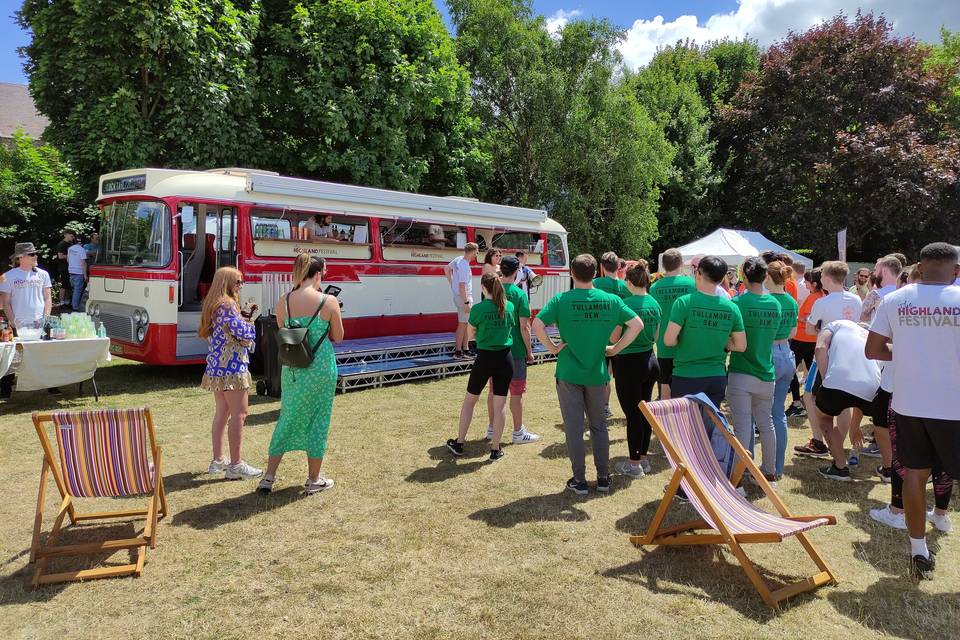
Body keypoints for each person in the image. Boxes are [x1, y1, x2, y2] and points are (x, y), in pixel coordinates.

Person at [865, 242, 960, 580]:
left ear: (918, 268)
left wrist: (907, 353)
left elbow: (873, 349)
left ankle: (918, 547)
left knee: (915, 475)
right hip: (953, 406)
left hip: (909, 404)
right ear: (956, 271)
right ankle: (935, 524)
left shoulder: (894, 300)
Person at [533, 254, 642, 495]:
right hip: (597, 373)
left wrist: (552, 348)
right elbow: (637, 324)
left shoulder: (562, 299)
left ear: (572, 273)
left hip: (569, 372)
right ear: (596, 273)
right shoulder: (611, 300)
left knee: (574, 428)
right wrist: (615, 349)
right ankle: (603, 478)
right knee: (599, 427)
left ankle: (580, 480)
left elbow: (537, 325)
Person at [257, 255, 344, 495]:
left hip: (293, 368)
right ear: (318, 274)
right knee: (319, 420)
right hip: (320, 368)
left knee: (287, 416)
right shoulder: (329, 301)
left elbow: (286, 332)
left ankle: (269, 476)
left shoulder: (282, 301)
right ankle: (313, 479)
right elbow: (338, 336)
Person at [199, 267, 262, 480]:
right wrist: (250, 321)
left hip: (217, 366)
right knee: (239, 414)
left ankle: (218, 460)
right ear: (226, 282)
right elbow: (243, 332)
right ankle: (236, 465)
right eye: (238, 282)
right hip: (233, 366)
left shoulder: (214, 304)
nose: (241, 285)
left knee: (222, 413)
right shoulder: (228, 304)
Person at [446, 273, 515, 462]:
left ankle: (459, 443)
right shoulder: (509, 306)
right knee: (500, 405)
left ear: (483, 288)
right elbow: (510, 329)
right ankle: (495, 449)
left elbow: (471, 334)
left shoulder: (478, 309)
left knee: (470, 401)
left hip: (485, 358)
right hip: (505, 358)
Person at [662, 255, 746, 408]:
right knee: (709, 428)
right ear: (722, 279)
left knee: (687, 429)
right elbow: (741, 345)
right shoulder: (731, 307)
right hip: (716, 376)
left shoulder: (684, 302)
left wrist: (682, 338)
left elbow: (668, 340)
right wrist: (723, 341)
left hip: (686, 375)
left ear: (698, 274)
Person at [726, 257, 782, 480]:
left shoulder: (738, 303)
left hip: (742, 372)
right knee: (766, 423)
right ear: (765, 276)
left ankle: (738, 475)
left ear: (744, 276)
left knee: (742, 426)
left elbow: (731, 337)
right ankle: (769, 471)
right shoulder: (775, 304)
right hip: (766, 372)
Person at [610, 261, 662, 478]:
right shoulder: (654, 302)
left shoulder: (624, 304)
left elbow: (614, 338)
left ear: (629, 282)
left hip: (630, 363)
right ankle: (643, 459)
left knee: (632, 414)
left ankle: (634, 465)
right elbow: (657, 336)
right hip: (650, 359)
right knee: (644, 411)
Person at [812, 320, 880, 482]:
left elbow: (820, 348)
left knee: (824, 417)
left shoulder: (836, 324)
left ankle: (840, 466)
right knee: (882, 424)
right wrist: (854, 427)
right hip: (871, 386)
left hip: (837, 380)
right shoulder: (870, 336)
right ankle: (889, 469)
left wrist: (825, 378)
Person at [484, 256, 539, 444]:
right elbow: (525, 327)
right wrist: (529, 351)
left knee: (494, 391)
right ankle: (518, 432)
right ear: (516, 272)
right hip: (515, 351)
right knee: (516, 392)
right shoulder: (519, 294)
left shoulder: (492, 290)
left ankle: (492, 428)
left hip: (495, 350)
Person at [0, 243, 54, 398]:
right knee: (12, 356)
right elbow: (6, 302)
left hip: (39, 322)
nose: (36, 257)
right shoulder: (8, 276)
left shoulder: (43, 274)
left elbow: (48, 297)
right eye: (32, 254)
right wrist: (13, 321)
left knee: (44, 353)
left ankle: (51, 385)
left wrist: (46, 317)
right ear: (20, 258)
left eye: (36, 254)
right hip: (18, 323)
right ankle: (5, 388)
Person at [766, 260, 799, 480]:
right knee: (778, 413)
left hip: (769, 354)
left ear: (767, 278)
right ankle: (777, 468)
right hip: (787, 354)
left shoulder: (767, 301)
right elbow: (794, 331)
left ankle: (765, 468)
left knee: (763, 415)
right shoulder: (791, 300)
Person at [649, 248, 696, 400]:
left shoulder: (654, 288)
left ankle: (664, 423)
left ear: (663, 266)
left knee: (665, 390)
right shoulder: (691, 284)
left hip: (664, 346)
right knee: (687, 391)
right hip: (686, 345)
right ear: (681, 264)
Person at [787, 269, 823, 421]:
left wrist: (797, 317)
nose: (805, 284)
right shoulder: (821, 296)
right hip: (811, 340)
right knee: (814, 372)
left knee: (790, 369)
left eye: (807, 282)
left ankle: (796, 403)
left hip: (802, 339)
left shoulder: (814, 297)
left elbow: (808, 318)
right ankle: (812, 400)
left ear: (814, 283)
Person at [444, 242, 478, 358]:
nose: (476, 255)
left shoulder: (458, 259)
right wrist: (467, 302)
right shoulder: (464, 266)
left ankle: (465, 349)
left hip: (459, 296)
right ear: (473, 251)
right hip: (464, 297)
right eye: (476, 252)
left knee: (465, 324)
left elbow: (446, 269)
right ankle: (459, 351)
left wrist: (452, 284)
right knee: (463, 325)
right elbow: (462, 286)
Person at [55, 229, 76, 308]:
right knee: (64, 284)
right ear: (66, 235)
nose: (73, 238)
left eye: (73, 236)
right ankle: (61, 302)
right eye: (71, 236)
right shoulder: (61, 244)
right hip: (63, 267)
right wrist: (72, 256)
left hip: (71, 267)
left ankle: (67, 302)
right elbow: (60, 256)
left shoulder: (71, 244)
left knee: (69, 285)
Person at [66, 239, 87, 311]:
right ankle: (75, 307)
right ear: (81, 243)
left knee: (74, 289)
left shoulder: (70, 249)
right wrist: (85, 275)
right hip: (79, 271)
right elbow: (83, 263)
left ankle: (73, 304)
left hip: (71, 270)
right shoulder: (81, 249)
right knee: (77, 290)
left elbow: (68, 260)